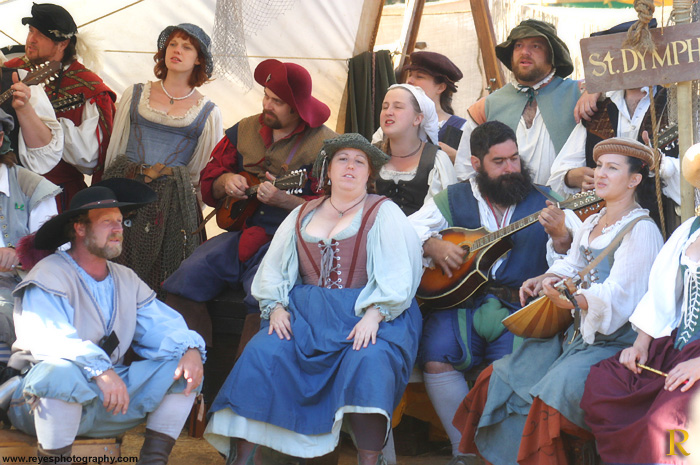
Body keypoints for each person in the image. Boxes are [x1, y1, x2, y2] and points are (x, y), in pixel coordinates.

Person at [204, 133, 422, 465]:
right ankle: (246, 459)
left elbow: (399, 272)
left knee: (369, 360)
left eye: (359, 162)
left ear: (369, 173)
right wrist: (276, 307)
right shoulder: (302, 214)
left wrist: (374, 315)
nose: (350, 167)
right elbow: (275, 266)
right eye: (342, 159)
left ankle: (369, 459)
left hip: (365, 315)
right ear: (328, 170)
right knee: (263, 352)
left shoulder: (384, 212)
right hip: (305, 318)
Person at [453, 137, 664, 465]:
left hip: (614, 341)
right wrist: (546, 277)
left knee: (552, 393)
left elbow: (624, 295)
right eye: (599, 166)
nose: (600, 174)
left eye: (612, 168)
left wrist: (574, 300)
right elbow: (574, 265)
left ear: (634, 179)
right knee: (497, 377)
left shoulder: (641, 230)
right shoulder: (593, 221)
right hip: (575, 335)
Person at [409, 120, 579, 463]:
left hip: (521, 305)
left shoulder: (548, 200)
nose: (511, 168)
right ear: (476, 164)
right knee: (436, 356)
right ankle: (463, 451)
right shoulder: (453, 198)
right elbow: (407, 228)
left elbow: (577, 256)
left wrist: (561, 237)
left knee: (509, 372)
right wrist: (431, 245)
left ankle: (498, 453)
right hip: (462, 304)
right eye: (499, 162)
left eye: (514, 158)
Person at [6, 178, 205, 464]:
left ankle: (153, 460)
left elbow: (162, 326)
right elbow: (50, 339)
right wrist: (101, 370)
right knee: (59, 372)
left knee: (183, 369)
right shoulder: (49, 273)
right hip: (39, 402)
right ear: (80, 228)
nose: (118, 230)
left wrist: (190, 349)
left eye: (120, 222)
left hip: (109, 400)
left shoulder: (126, 279)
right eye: (107, 222)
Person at [161, 59, 336, 343]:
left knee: (264, 297)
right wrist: (225, 181)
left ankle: (245, 370)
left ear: (297, 107)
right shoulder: (243, 130)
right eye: (266, 96)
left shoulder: (325, 147)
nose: (267, 105)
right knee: (184, 279)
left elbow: (334, 210)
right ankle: (190, 363)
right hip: (241, 234)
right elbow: (209, 180)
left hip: (287, 242)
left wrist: (286, 201)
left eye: (277, 102)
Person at [579, 142, 700, 464]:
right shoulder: (690, 231)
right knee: (606, 386)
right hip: (680, 346)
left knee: (669, 421)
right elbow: (661, 291)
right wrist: (641, 344)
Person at [103, 23, 223, 294]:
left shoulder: (207, 111)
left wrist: (182, 204)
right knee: (114, 263)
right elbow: (115, 149)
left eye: (186, 47)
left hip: (170, 207)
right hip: (125, 191)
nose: (177, 50)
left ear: (199, 59)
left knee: (161, 276)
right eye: (172, 44)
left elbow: (201, 174)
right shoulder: (135, 94)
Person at [548, 19, 680, 233]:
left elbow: (692, 175)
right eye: (624, 55)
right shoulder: (598, 108)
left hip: (662, 230)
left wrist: (663, 165)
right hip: (604, 230)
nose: (631, 61)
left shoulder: (676, 105)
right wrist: (574, 176)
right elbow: (557, 176)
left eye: (638, 53)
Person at [4, 3, 117, 211]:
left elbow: (90, 159)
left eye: (40, 35)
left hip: (56, 196)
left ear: (63, 44)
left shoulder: (88, 88)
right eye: (31, 31)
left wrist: (47, 123)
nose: (31, 39)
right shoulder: (10, 70)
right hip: (8, 190)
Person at [454, 19, 581, 185]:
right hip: (504, 200)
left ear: (552, 55)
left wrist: (594, 92)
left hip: (567, 200)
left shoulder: (579, 94)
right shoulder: (486, 107)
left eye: (536, 46)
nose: (525, 52)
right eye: (518, 46)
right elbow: (465, 170)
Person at [0, 108, 60, 361]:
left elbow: (55, 253)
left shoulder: (31, 186)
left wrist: (20, 255)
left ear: (0, 139)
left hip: (19, 286)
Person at [375, 83, 456, 216]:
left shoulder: (435, 161)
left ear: (417, 119)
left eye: (398, 107)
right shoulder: (371, 155)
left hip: (421, 229)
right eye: (385, 107)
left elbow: (439, 214)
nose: (388, 112)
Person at [372, 51, 467, 162]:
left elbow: (474, 168)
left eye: (419, 76)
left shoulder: (461, 128)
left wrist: (456, 157)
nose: (409, 81)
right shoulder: (392, 122)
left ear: (440, 87)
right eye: (410, 75)